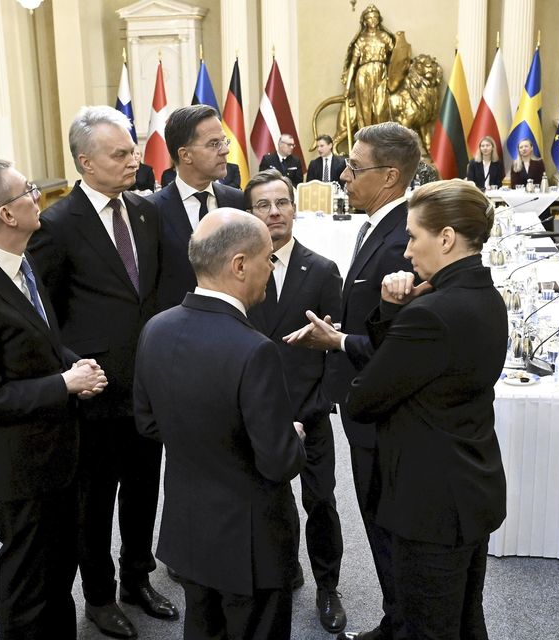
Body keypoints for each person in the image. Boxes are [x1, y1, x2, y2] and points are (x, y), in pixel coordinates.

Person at [0, 159, 108, 639]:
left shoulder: (23, 261)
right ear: (7, 215)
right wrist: (65, 384)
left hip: (60, 455)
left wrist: (76, 364)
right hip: (23, 470)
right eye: (28, 190)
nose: (38, 196)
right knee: (27, 591)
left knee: (58, 579)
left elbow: (44, 344)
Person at [28, 105, 174, 639]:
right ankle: (99, 595)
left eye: (132, 148)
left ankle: (139, 576)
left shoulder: (145, 211)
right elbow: (44, 314)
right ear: (86, 163)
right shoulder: (56, 225)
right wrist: (74, 368)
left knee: (143, 489)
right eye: (121, 153)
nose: (135, 158)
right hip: (93, 392)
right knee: (94, 501)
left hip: (147, 386)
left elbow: (152, 293)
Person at [343, 179, 508, 640]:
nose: (408, 251)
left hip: (429, 500)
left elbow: (362, 399)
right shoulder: (485, 296)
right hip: (471, 485)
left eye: (414, 236)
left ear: (447, 238)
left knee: (429, 628)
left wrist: (395, 312)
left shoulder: (430, 314)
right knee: (465, 621)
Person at [133, 208, 306, 640]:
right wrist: (294, 437)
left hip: (189, 535)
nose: (271, 268)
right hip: (250, 546)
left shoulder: (155, 328)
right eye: (268, 258)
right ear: (240, 265)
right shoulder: (255, 350)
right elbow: (279, 462)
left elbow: (148, 422)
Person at [284, 121, 420, 640]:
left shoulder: (400, 241)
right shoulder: (378, 227)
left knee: (385, 524)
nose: (343, 175)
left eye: (355, 168)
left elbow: (393, 344)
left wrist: (338, 343)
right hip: (367, 405)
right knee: (378, 519)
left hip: (382, 414)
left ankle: (399, 623)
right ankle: (396, 618)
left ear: (389, 177)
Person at [244, 169, 347, 633]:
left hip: (310, 411)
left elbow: (337, 347)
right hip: (257, 415)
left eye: (281, 203)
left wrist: (319, 405)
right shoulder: (239, 267)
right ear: (250, 214)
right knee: (269, 504)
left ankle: (329, 587)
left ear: (294, 207)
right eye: (262, 205)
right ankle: (281, 574)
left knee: (321, 503)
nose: (273, 212)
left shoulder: (322, 270)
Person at [148, 104, 244, 310]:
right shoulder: (151, 210)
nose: (225, 150)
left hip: (234, 327)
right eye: (214, 144)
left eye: (223, 141)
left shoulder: (238, 202)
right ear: (185, 155)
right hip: (177, 331)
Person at [342, 5, 395, 129]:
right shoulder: (361, 40)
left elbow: (395, 57)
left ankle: (381, 138)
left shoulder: (385, 37)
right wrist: (347, 87)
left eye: (375, 17)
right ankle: (366, 137)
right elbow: (353, 64)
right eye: (370, 18)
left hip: (381, 73)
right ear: (365, 21)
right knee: (364, 108)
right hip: (364, 74)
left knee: (380, 108)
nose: (373, 20)